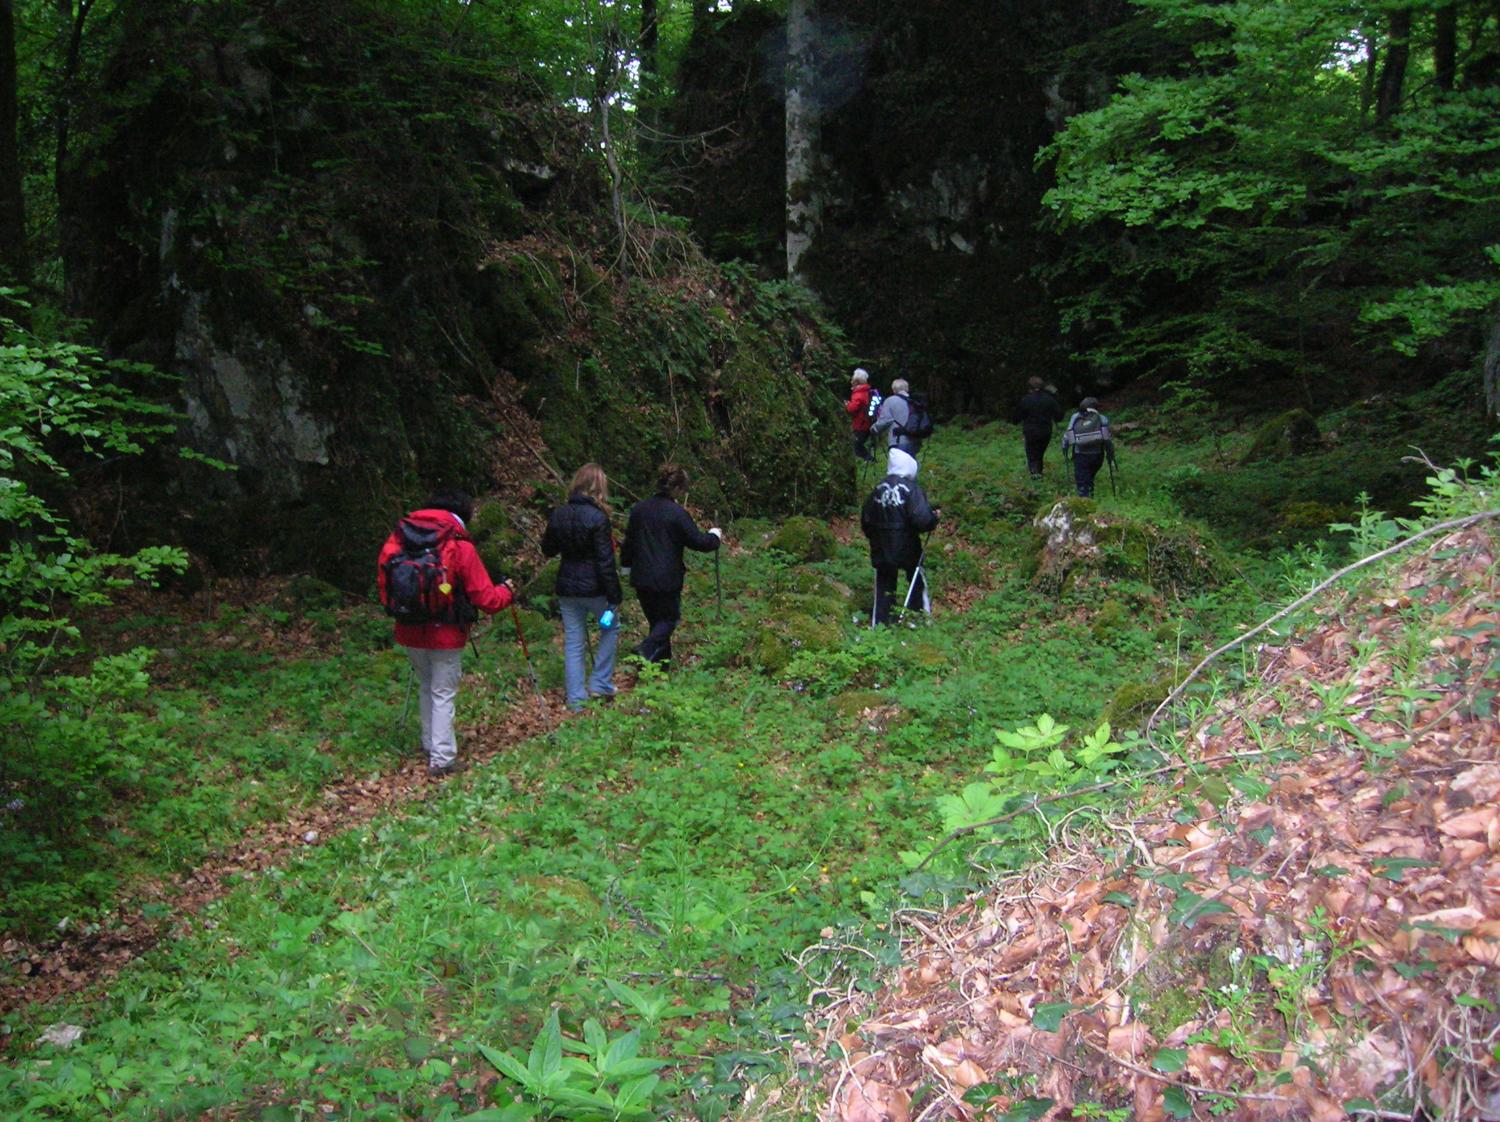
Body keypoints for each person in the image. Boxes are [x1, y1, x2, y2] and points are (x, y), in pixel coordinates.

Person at [377, 490, 514, 777]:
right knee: (443, 691)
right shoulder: (459, 545)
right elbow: (487, 599)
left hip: (409, 626)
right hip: (447, 632)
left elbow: (384, 581)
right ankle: (442, 758)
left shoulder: (400, 537)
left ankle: (430, 743)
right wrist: (508, 591)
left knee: (427, 685)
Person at [620, 464, 722, 664]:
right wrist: (715, 536)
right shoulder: (676, 513)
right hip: (667, 579)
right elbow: (698, 541)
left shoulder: (639, 509)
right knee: (669, 620)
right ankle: (646, 649)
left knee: (656, 622)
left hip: (641, 577)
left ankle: (658, 666)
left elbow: (628, 541)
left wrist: (625, 566)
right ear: (677, 489)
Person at [542, 464, 623, 712]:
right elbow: (605, 560)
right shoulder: (598, 518)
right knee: (610, 627)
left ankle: (576, 699)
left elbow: (548, 549)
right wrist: (614, 594)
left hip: (568, 589)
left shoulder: (559, 514)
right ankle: (600, 681)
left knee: (574, 642)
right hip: (596, 591)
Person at [860, 448, 939, 626]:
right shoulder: (911, 490)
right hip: (907, 547)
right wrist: (934, 519)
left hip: (881, 546)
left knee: (884, 582)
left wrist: (875, 536)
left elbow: (865, 520)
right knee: (916, 578)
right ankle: (918, 618)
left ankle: (881, 622)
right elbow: (922, 519)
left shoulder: (877, 490)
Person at [1012, 376, 1064, 480]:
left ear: (1029, 387)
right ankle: (1038, 473)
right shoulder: (1049, 400)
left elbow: (1015, 418)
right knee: (1039, 454)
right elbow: (1059, 416)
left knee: (1032, 454)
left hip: (1030, 431)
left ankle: (1035, 475)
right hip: (1045, 431)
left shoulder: (1026, 400)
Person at [1062, 397, 1113, 498]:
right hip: (1097, 454)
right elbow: (1107, 439)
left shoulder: (1076, 417)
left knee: (1082, 481)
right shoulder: (1102, 418)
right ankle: (1090, 498)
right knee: (1090, 477)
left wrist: (1064, 449)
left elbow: (1068, 435)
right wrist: (1110, 454)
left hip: (1080, 454)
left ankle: (1085, 501)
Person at [872, 377, 924, 457]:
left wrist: (874, 428)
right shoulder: (914, 400)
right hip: (914, 440)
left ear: (894, 389)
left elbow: (885, 420)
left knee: (899, 467)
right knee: (911, 464)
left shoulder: (891, 401)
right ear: (907, 388)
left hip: (898, 441)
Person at [845, 367, 877, 462]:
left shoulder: (859, 394)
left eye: (852, 379)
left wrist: (847, 405)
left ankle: (869, 460)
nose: (851, 381)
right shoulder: (866, 391)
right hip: (867, 422)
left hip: (861, 424)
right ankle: (869, 459)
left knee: (856, 444)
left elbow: (852, 408)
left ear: (857, 381)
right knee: (857, 444)